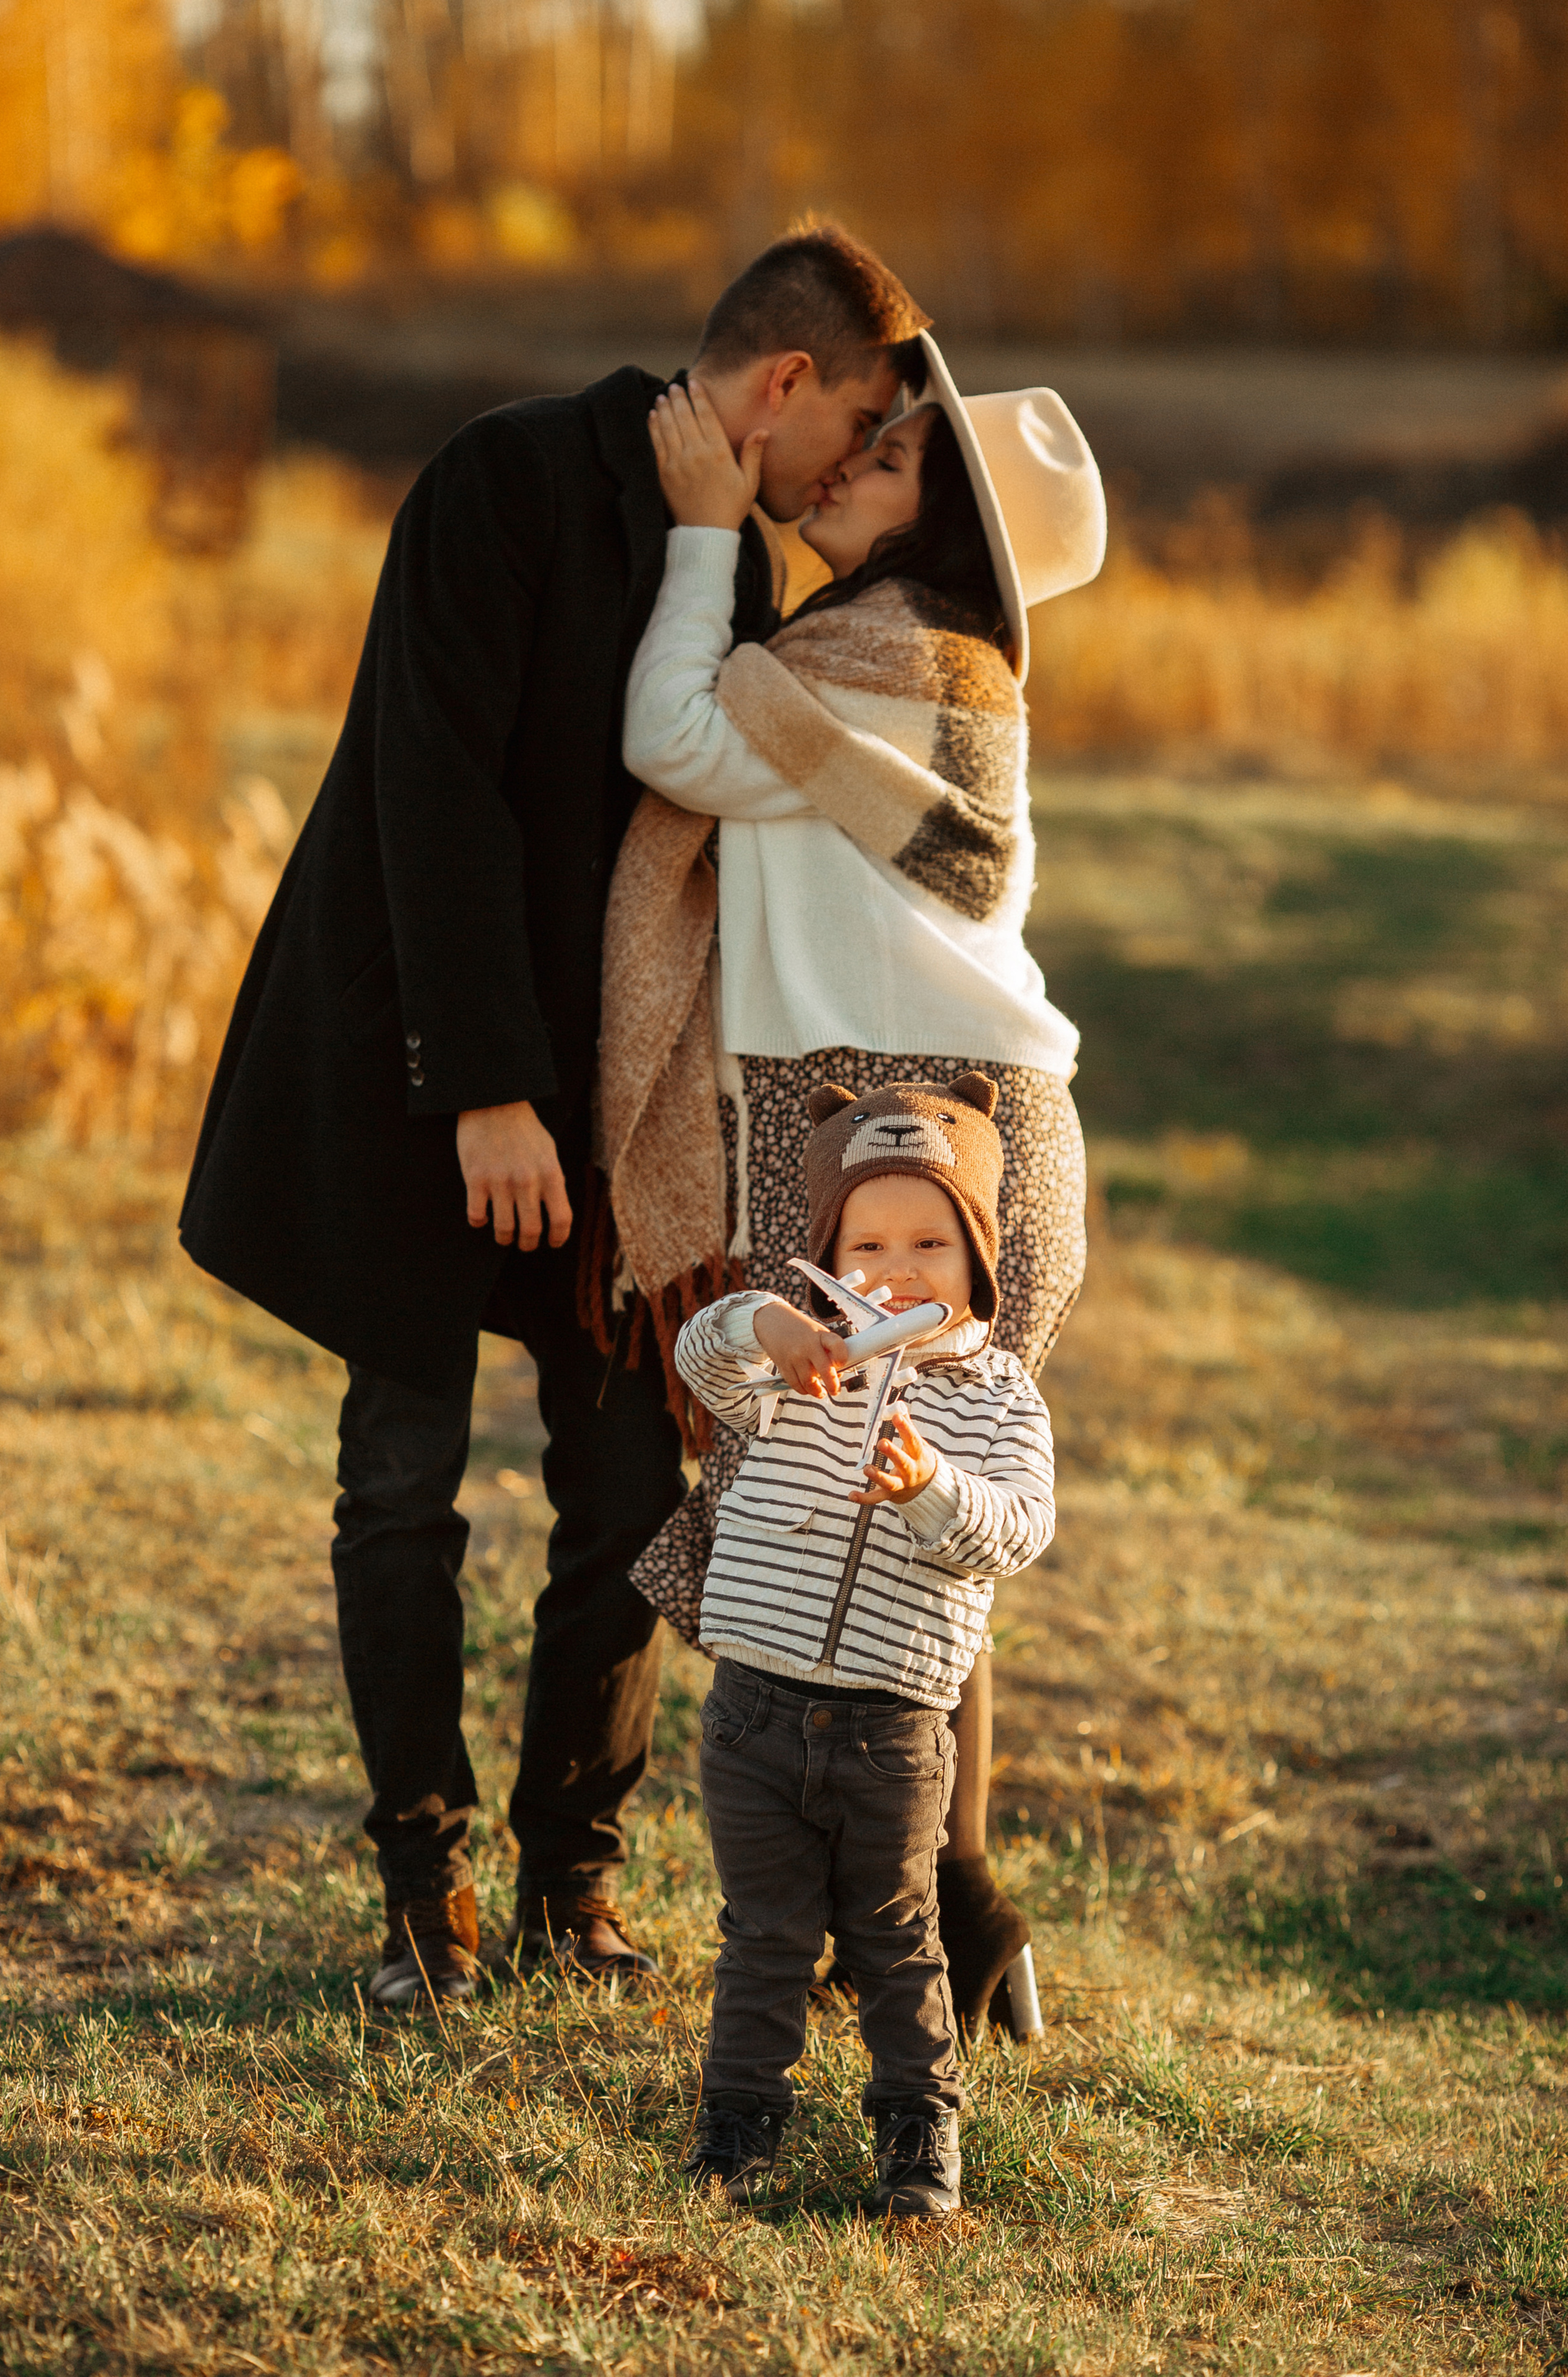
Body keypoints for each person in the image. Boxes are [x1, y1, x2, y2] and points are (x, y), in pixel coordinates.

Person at [178, 222, 933, 2008]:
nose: (857, 476)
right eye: (863, 435)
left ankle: (567, 1884)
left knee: (626, 1484)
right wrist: (489, 1092)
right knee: (403, 1478)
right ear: (785, 387)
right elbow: (429, 795)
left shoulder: (735, 572)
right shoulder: (498, 476)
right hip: (422, 1074)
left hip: (620, 1118)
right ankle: (421, 1889)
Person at [592, 336, 1105, 2033]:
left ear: (934, 521)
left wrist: (698, 527)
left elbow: (673, 731)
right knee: (886, 1519)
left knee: (852, 1503)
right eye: (863, 437)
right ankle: (951, 1923)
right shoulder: (911, 665)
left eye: (884, 459)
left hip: (883, 1120)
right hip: (956, 1115)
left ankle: (904, 1919)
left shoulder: (895, 665)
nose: (846, 465)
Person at [673, 1074, 1056, 2215]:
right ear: (830, 1254)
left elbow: (1021, 1529)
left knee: (897, 1943)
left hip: (894, 1729)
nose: (900, 1266)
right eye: (870, 1240)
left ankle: (918, 2139)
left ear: (979, 1255)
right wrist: (763, 1321)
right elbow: (704, 1360)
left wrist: (934, 1490)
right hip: (752, 1711)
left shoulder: (1000, 1399)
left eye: (931, 1240)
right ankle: (737, 2133)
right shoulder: (802, 1367)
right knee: (764, 1940)